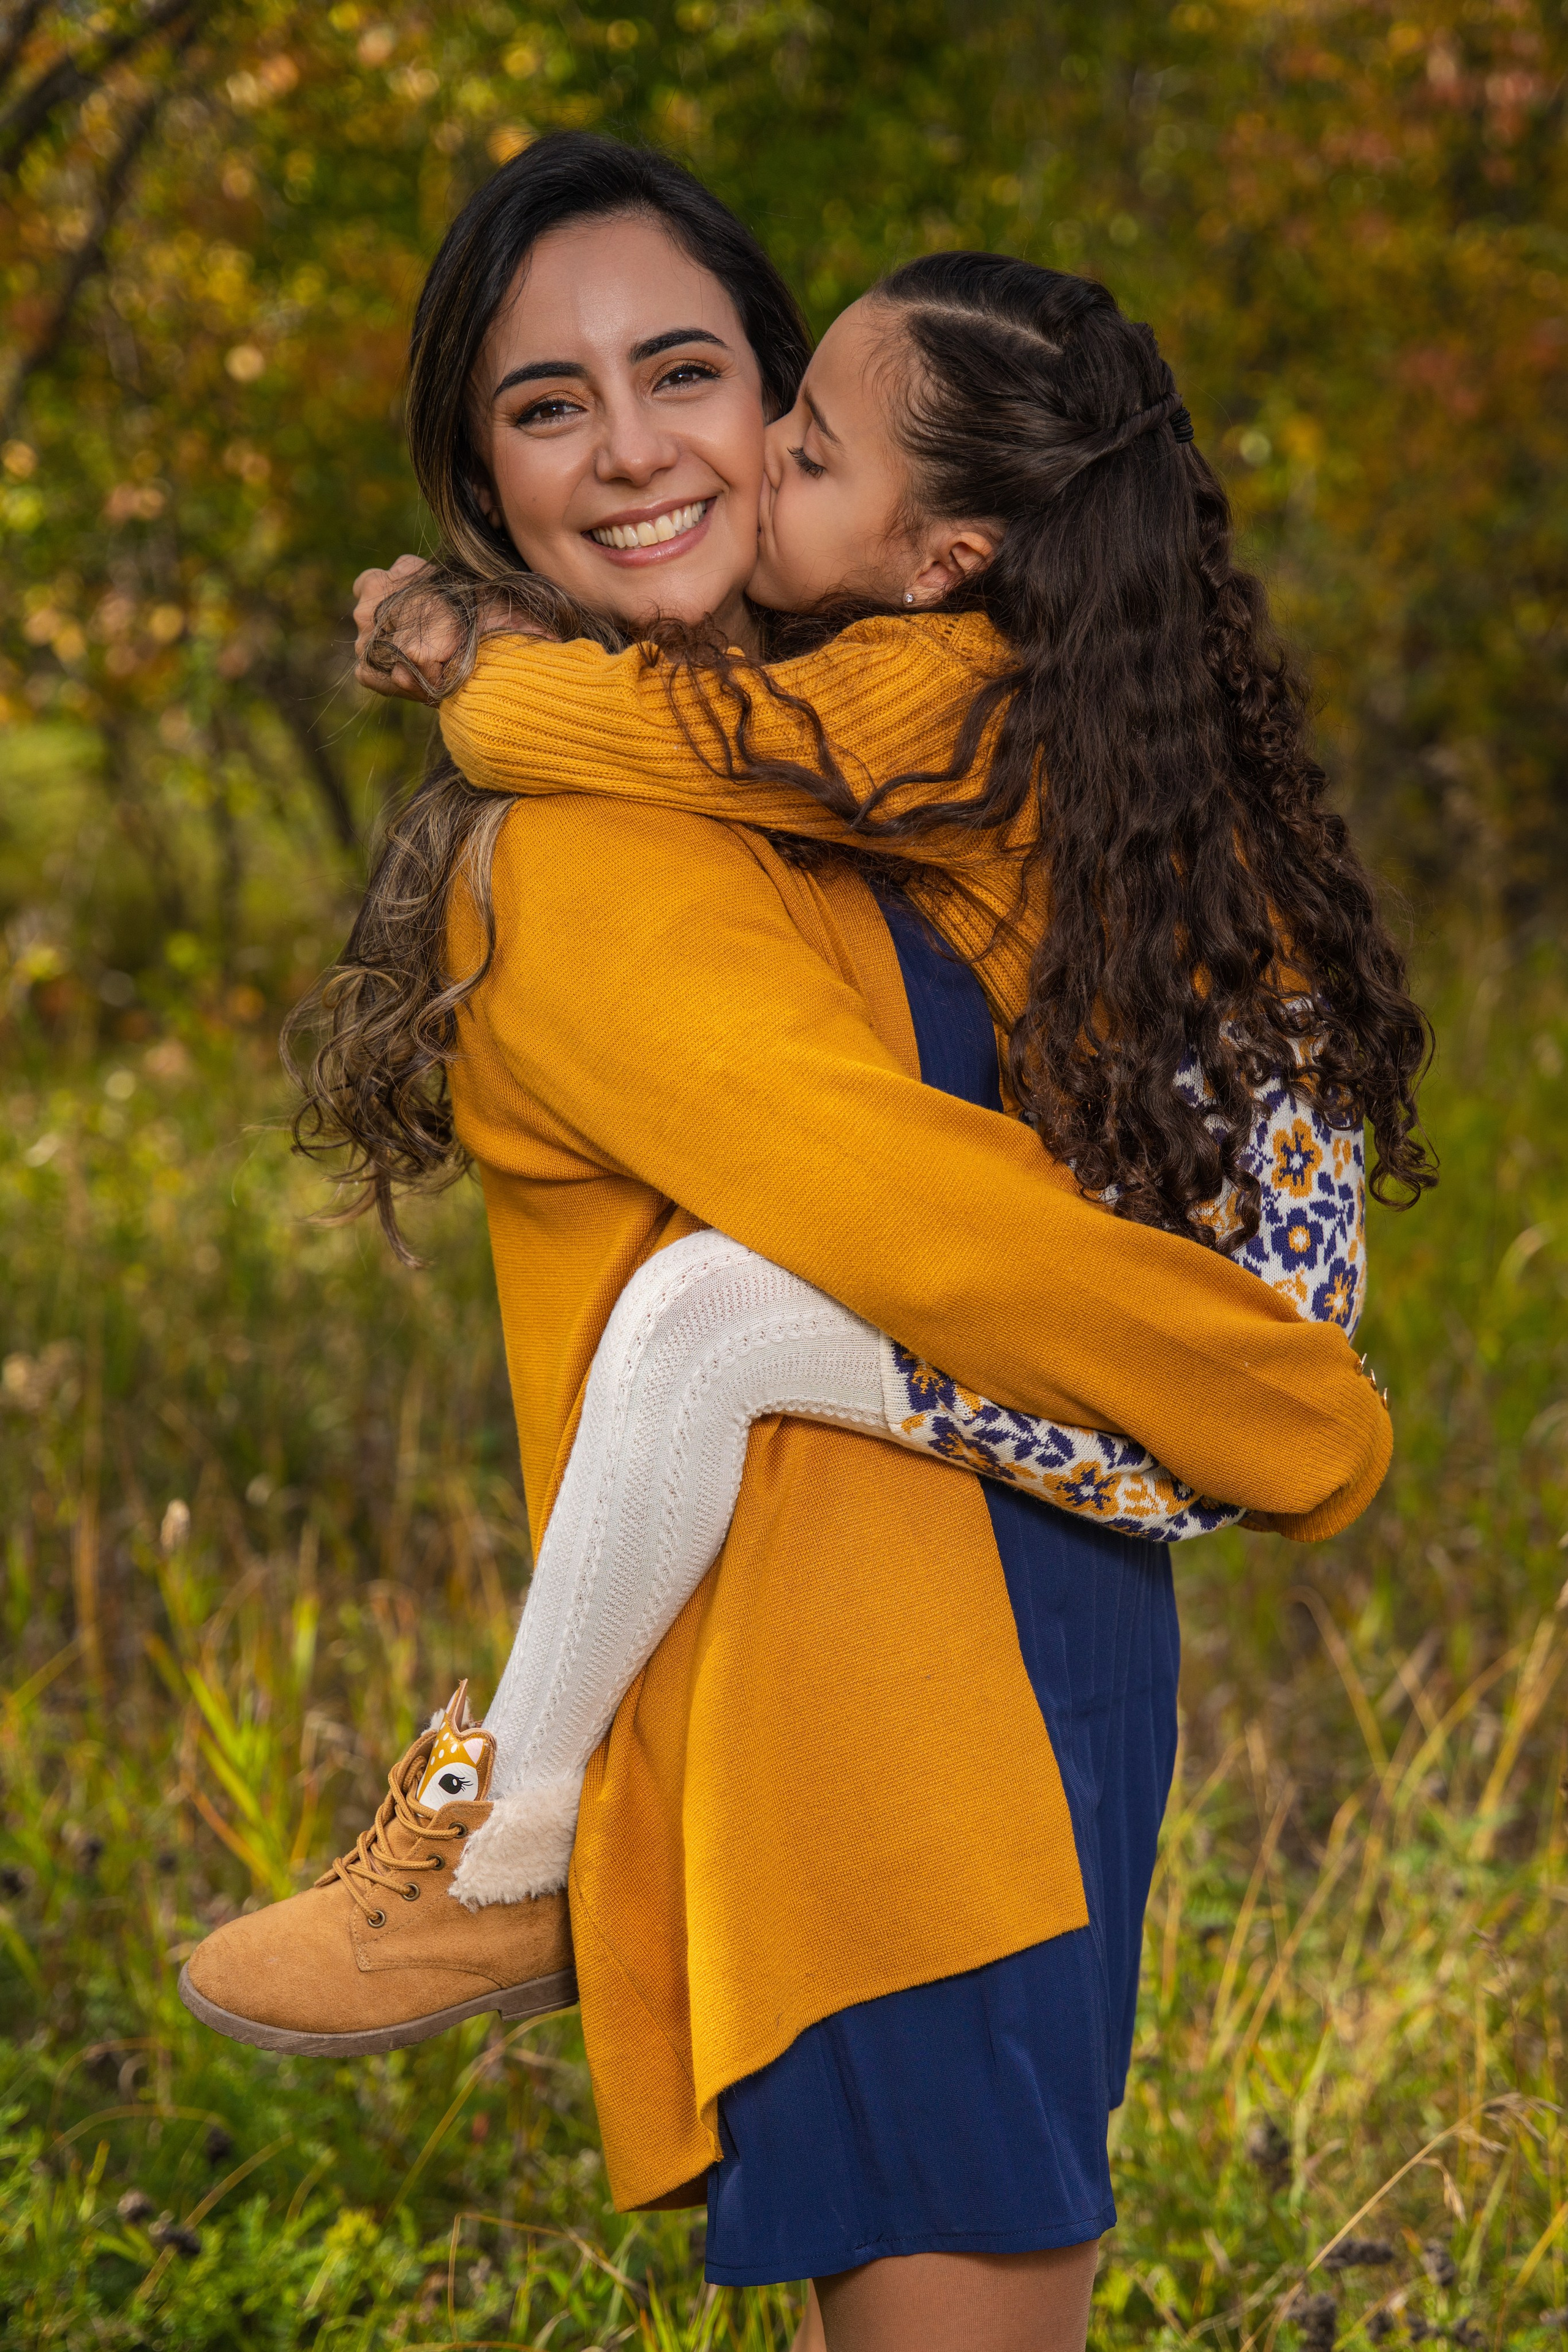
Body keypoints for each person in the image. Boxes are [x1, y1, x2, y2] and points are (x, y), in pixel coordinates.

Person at [179, 135, 1427, 2351]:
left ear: (784, 418)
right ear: (479, 469)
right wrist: (1263, 1391)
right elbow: (890, 1202)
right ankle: (505, 1845)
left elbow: (982, 1152)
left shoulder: (895, 706)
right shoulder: (620, 837)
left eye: (695, 375)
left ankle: (503, 1844)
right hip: (883, 1697)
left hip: (993, 1661)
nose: (642, 445)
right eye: (547, 402)